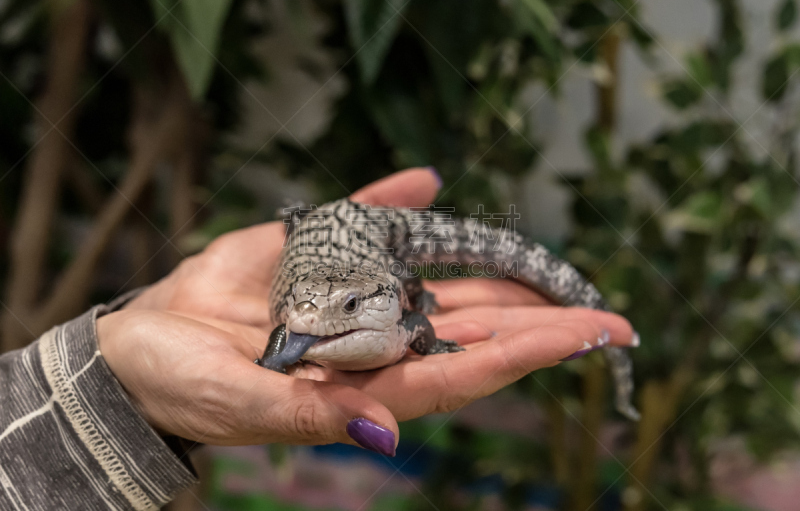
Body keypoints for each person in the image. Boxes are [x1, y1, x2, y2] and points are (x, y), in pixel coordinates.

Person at [0, 168, 636, 510]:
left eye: (355, 307)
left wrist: (421, 310)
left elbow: (401, 305)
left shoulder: (393, 283)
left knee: (508, 262)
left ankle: (624, 372)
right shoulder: (303, 316)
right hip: (335, 248)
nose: (307, 330)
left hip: (366, 238)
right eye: (302, 320)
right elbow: (299, 325)